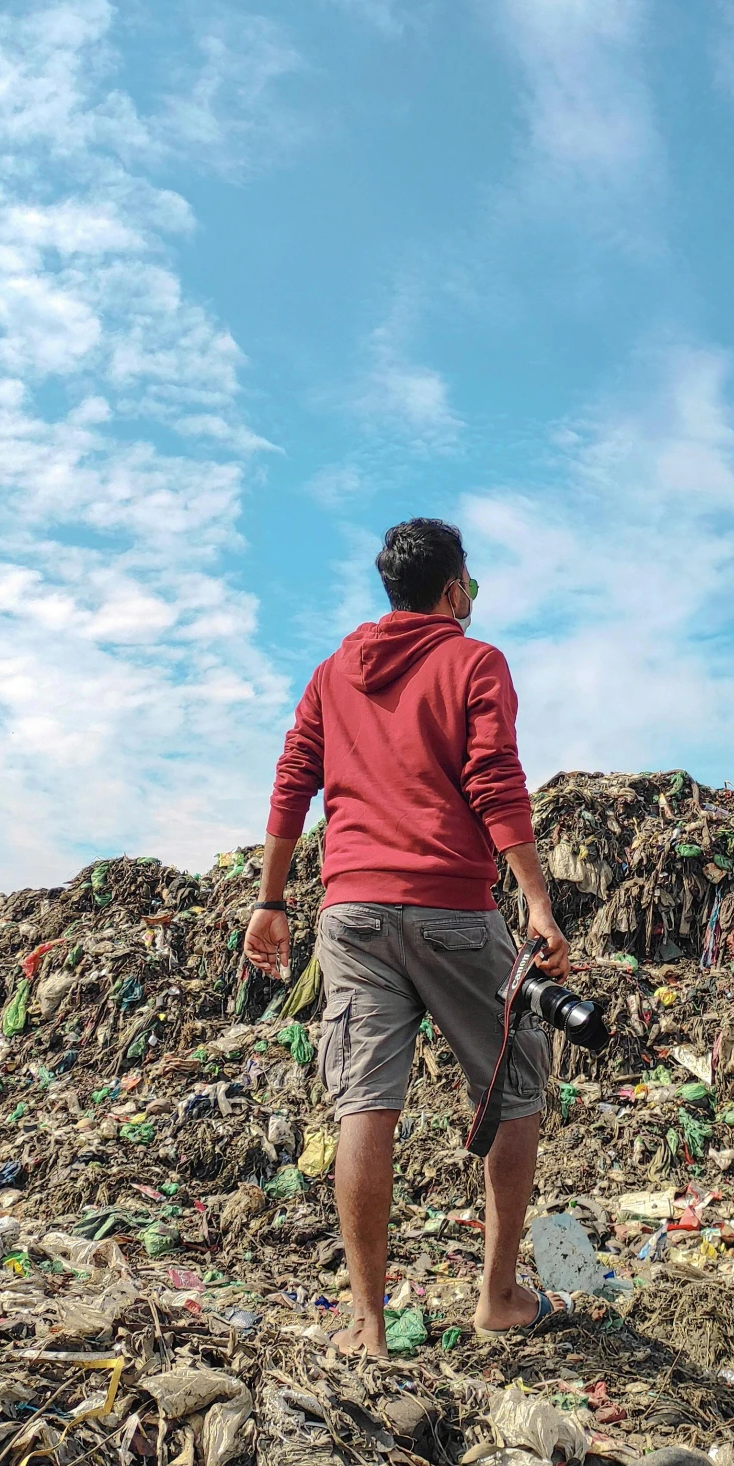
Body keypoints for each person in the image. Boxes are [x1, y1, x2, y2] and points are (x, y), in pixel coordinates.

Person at [243, 518, 572, 1356]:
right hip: (450, 907)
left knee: (366, 1102)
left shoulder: (330, 674)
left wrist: (270, 899)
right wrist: (535, 901)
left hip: (347, 915)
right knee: (514, 1082)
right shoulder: (473, 660)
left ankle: (366, 1321)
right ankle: (497, 1297)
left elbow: (293, 782)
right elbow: (494, 777)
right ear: (454, 587)